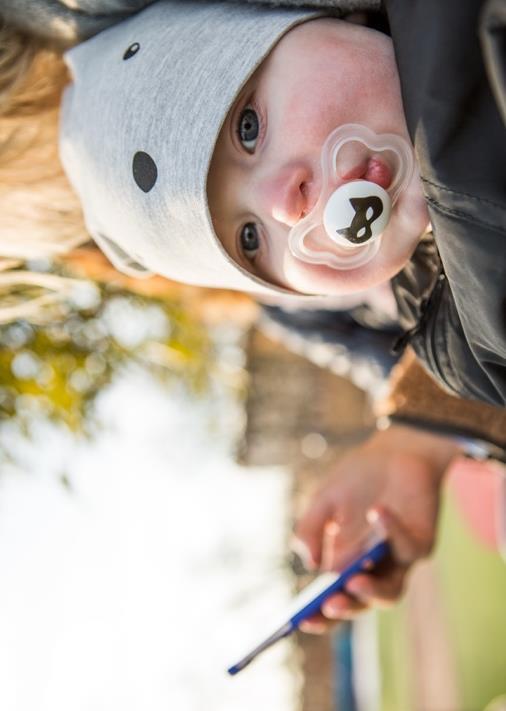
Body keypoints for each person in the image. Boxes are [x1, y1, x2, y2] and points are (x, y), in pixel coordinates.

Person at [1, 0, 505, 625]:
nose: (281, 204)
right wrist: (420, 432)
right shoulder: (426, 335)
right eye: (247, 242)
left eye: (245, 127)